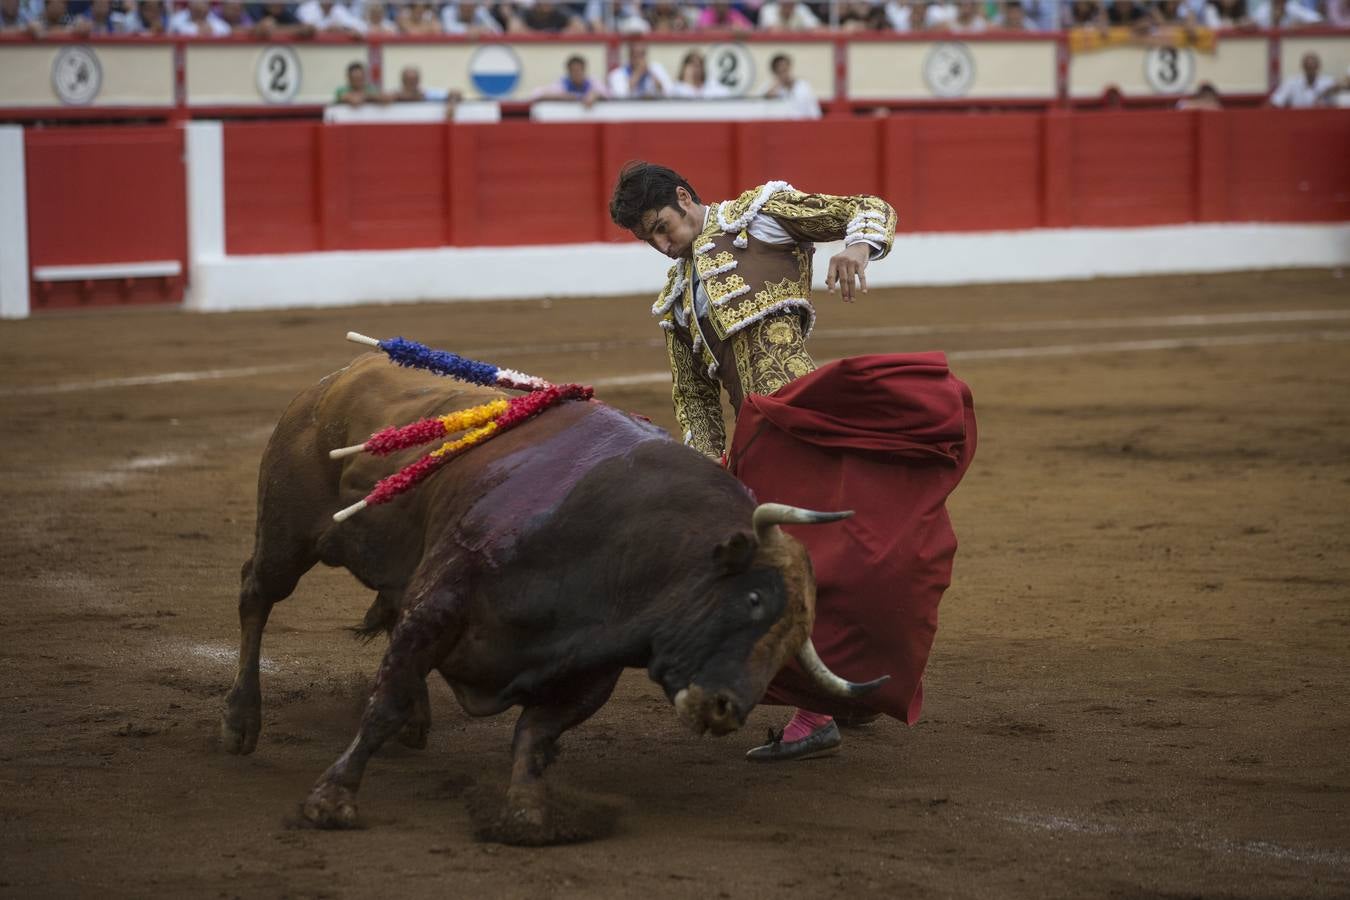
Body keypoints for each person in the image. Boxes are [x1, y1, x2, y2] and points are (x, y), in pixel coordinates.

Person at [609, 162, 976, 762]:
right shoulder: (676, 303)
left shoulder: (763, 215)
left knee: (849, 561)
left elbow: (870, 206)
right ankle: (836, 694)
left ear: (684, 198)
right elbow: (696, 399)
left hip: (810, 417)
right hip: (760, 441)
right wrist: (708, 470)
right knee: (778, 572)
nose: (660, 244)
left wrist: (857, 247)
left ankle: (823, 706)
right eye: (648, 238)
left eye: (661, 226)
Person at [532, 54, 607, 107]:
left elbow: (609, 93)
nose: (577, 73)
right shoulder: (562, 84)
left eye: (579, 70)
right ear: (568, 72)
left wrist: (595, 95)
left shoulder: (592, 82)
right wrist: (562, 96)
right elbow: (536, 93)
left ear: (584, 70)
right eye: (573, 71)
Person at [763, 53, 822, 119]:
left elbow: (814, 111)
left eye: (785, 70)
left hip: (802, 125)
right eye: (780, 71)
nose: (784, 74)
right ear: (775, 71)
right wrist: (775, 87)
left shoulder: (803, 86)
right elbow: (763, 107)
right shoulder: (768, 86)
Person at [607, 41, 673, 99]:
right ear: (630, 56)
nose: (639, 59)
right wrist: (637, 74)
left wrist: (656, 80)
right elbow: (620, 96)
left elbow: (670, 92)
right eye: (636, 55)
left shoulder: (656, 68)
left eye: (642, 54)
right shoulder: (617, 74)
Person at [1269, 52, 1337, 107]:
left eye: (1313, 67)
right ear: (1302, 67)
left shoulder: (1328, 82)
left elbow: (1338, 103)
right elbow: (1276, 102)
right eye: (1308, 67)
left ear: (1318, 66)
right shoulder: (1291, 82)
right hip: (1297, 119)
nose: (1310, 70)